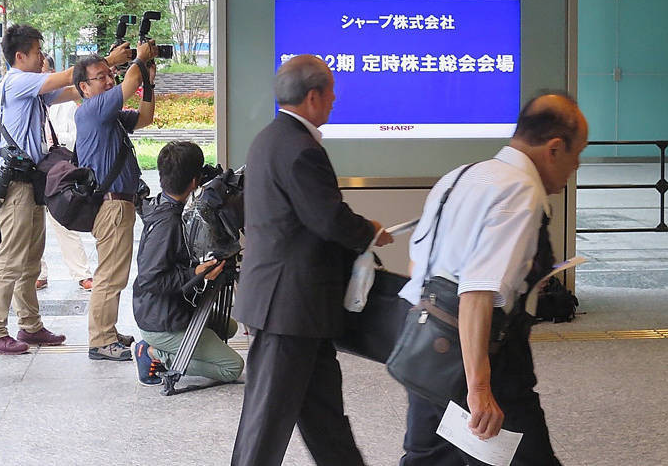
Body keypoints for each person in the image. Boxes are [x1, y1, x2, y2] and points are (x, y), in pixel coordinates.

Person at [397, 91, 588, 465]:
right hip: (485, 359)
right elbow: (476, 293)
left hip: (426, 350)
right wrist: (479, 389)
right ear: (553, 148)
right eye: (576, 153)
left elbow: (418, 267)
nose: (577, 165)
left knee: (428, 458)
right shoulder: (520, 191)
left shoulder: (462, 176)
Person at [230, 54, 393, 466]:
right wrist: (369, 230)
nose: (336, 101)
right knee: (265, 422)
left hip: (298, 309)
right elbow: (327, 218)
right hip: (289, 308)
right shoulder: (301, 149)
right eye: (332, 93)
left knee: (323, 417)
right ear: (314, 96)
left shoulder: (269, 138)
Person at [0, 24, 129, 355]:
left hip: (31, 180)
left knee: (31, 259)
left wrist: (106, 74)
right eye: (36, 53)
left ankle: (30, 325)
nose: (41, 59)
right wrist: (105, 59)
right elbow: (64, 79)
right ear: (20, 56)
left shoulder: (32, 88)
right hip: (16, 183)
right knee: (10, 259)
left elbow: (75, 89)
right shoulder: (18, 81)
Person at [130, 141, 244, 386]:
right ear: (195, 181)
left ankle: (168, 346)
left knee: (228, 328)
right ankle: (152, 353)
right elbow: (150, 279)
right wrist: (196, 274)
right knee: (232, 367)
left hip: (172, 308)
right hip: (161, 320)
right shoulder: (167, 223)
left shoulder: (170, 206)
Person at [74, 40, 158, 361]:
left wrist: (148, 82)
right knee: (110, 274)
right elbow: (130, 81)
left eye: (111, 74)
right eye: (102, 77)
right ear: (84, 86)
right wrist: (138, 61)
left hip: (120, 202)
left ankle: (106, 331)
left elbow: (146, 117)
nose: (109, 80)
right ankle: (100, 340)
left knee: (115, 271)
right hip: (111, 204)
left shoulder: (108, 117)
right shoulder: (92, 110)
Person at [35, 54, 93, 292]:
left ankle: (81, 273)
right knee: (33, 226)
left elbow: (74, 137)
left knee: (64, 220)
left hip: (57, 169)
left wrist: (53, 140)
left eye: (46, 72)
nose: (43, 77)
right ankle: (39, 273)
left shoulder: (64, 103)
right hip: (33, 170)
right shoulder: (27, 100)